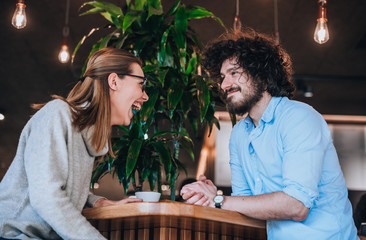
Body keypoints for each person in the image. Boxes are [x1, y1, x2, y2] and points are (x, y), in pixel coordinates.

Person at [180, 30, 358, 239]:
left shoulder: (299, 118)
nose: (224, 85)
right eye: (222, 77)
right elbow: (244, 204)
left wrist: (219, 200)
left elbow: (297, 206)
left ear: (262, 75)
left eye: (234, 73)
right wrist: (211, 195)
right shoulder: (239, 134)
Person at [0, 48, 149, 240]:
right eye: (141, 84)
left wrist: (97, 202)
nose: (145, 96)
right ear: (114, 81)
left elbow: (61, 181)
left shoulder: (88, 136)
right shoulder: (58, 114)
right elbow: (47, 196)